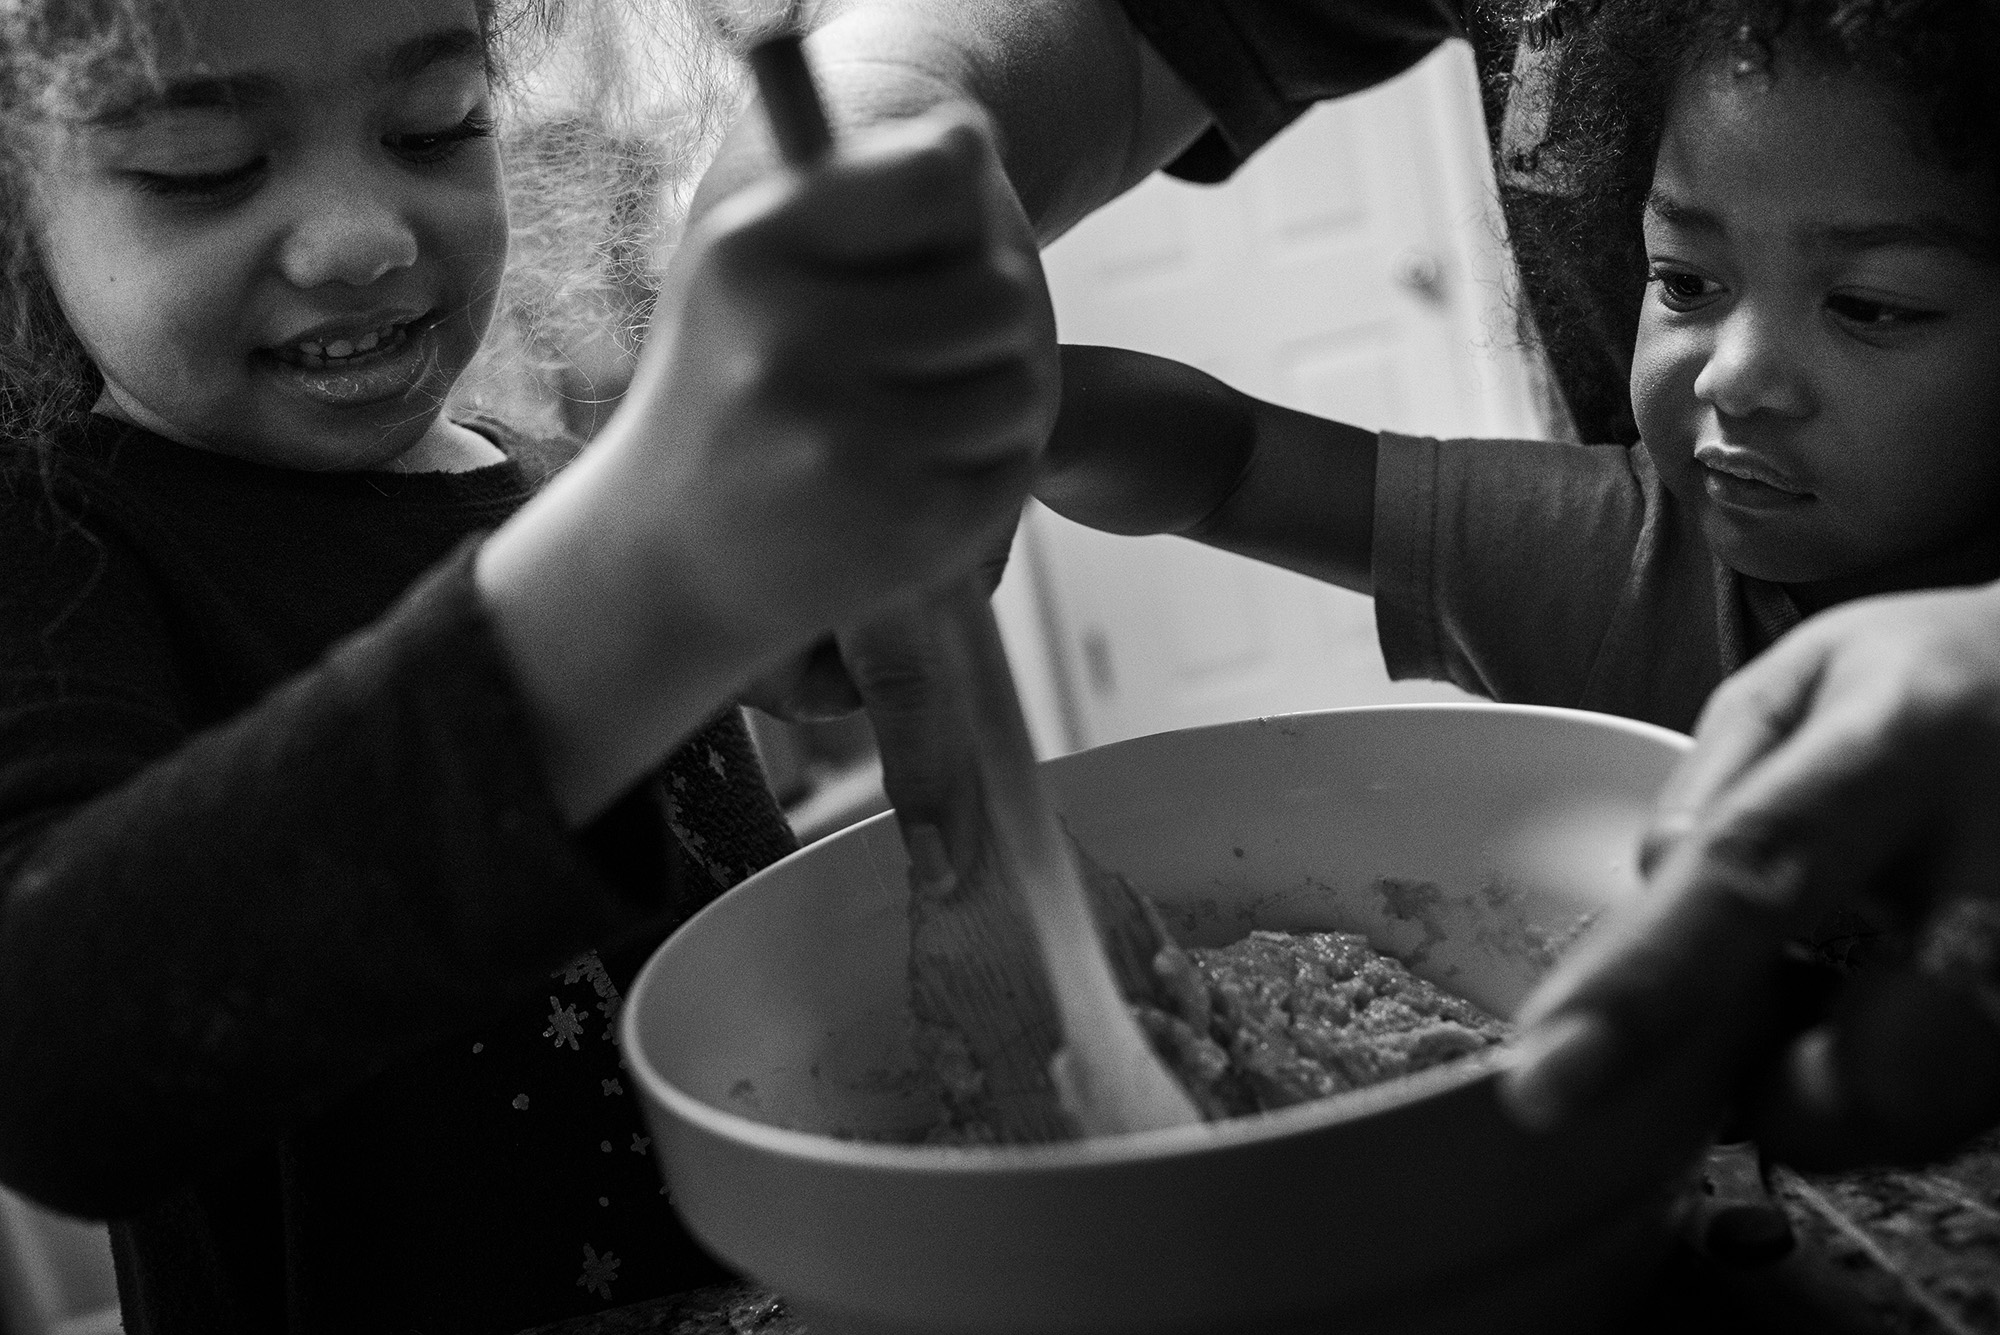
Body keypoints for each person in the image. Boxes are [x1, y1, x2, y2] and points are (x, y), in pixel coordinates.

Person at [700, 0, 2000, 1172]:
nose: (1731, 372)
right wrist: (1015, 414)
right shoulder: (1622, 561)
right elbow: (1234, 465)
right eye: (1685, 283)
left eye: (1876, 306)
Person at [0, 0, 1054, 1331]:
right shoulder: (55, 548)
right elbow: (55, 1061)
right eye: (202, 170)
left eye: (435, 127)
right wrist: (654, 580)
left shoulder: (544, 492)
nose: (364, 236)